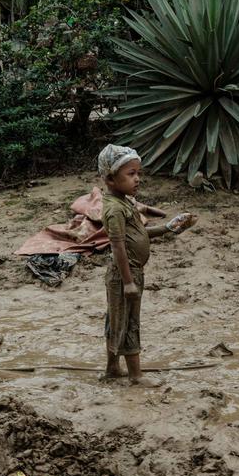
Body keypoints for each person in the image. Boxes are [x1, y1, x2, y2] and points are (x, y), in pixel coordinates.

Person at [98, 144, 198, 386]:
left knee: (117, 318)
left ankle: (113, 368)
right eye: (131, 174)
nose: (137, 179)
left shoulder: (125, 202)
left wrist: (168, 227)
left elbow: (139, 233)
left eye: (138, 173)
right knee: (129, 320)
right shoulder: (114, 209)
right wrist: (129, 282)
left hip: (128, 272)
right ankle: (135, 376)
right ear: (111, 179)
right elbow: (118, 246)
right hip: (126, 274)